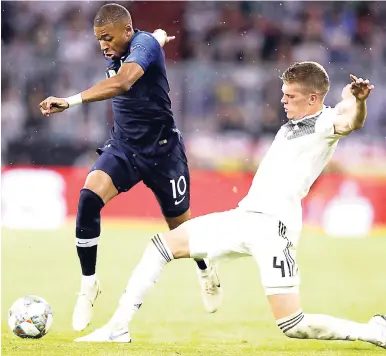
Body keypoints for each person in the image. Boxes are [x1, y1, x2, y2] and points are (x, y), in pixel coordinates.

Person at [75, 61, 385, 349]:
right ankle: (118, 327)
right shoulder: (310, 114)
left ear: (313, 99)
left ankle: (372, 331)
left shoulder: (325, 123)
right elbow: (346, 100)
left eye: (290, 96)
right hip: (247, 217)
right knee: (161, 245)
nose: (283, 101)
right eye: (283, 94)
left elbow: (351, 120)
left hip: (275, 229)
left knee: (293, 324)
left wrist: (359, 104)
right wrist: (352, 95)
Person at [39, 3, 222, 332]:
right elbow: (147, 44)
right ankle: (88, 285)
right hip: (125, 148)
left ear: (127, 31)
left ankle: (206, 269)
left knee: (181, 230)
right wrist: (160, 39)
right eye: (98, 39)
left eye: (107, 38)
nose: (102, 46)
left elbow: (124, 82)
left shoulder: (143, 45)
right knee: (88, 197)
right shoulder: (137, 44)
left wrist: (71, 100)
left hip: (164, 153)